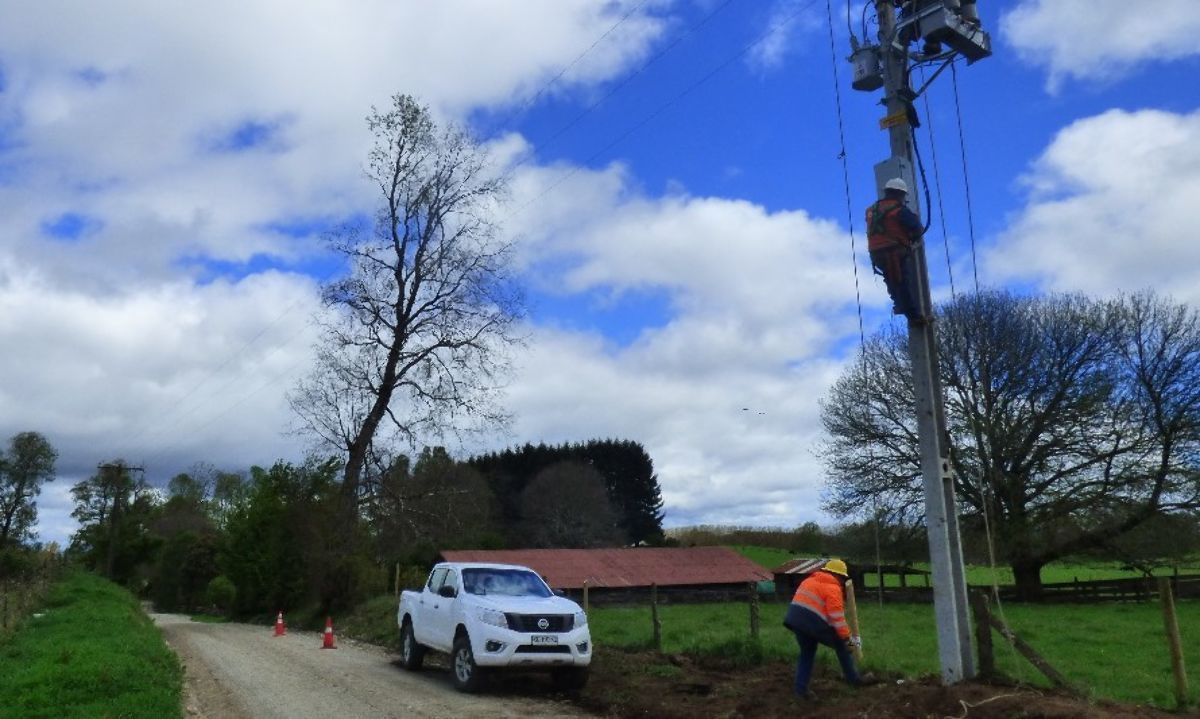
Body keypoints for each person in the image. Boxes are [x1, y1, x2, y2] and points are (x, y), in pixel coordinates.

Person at [782, 558, 863, 699]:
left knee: (806, 654)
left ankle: (800, 691)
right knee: (842, 646)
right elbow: (837, 618)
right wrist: (847, 639)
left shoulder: (809, 581)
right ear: (839, 576)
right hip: (812, 622)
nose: (842, 582)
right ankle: (854, 679)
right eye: (843, 578)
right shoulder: (833, 587)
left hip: (796, 621)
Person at [866, 178, 924, 321]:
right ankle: (914, 317)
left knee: (891, 280)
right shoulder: (899, 210)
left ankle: (898, 305)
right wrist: (913, 236)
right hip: (894, 252)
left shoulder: (871, 210)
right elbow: (916, 228)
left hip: (876, 254)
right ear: (901, 194)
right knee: (902, 282)